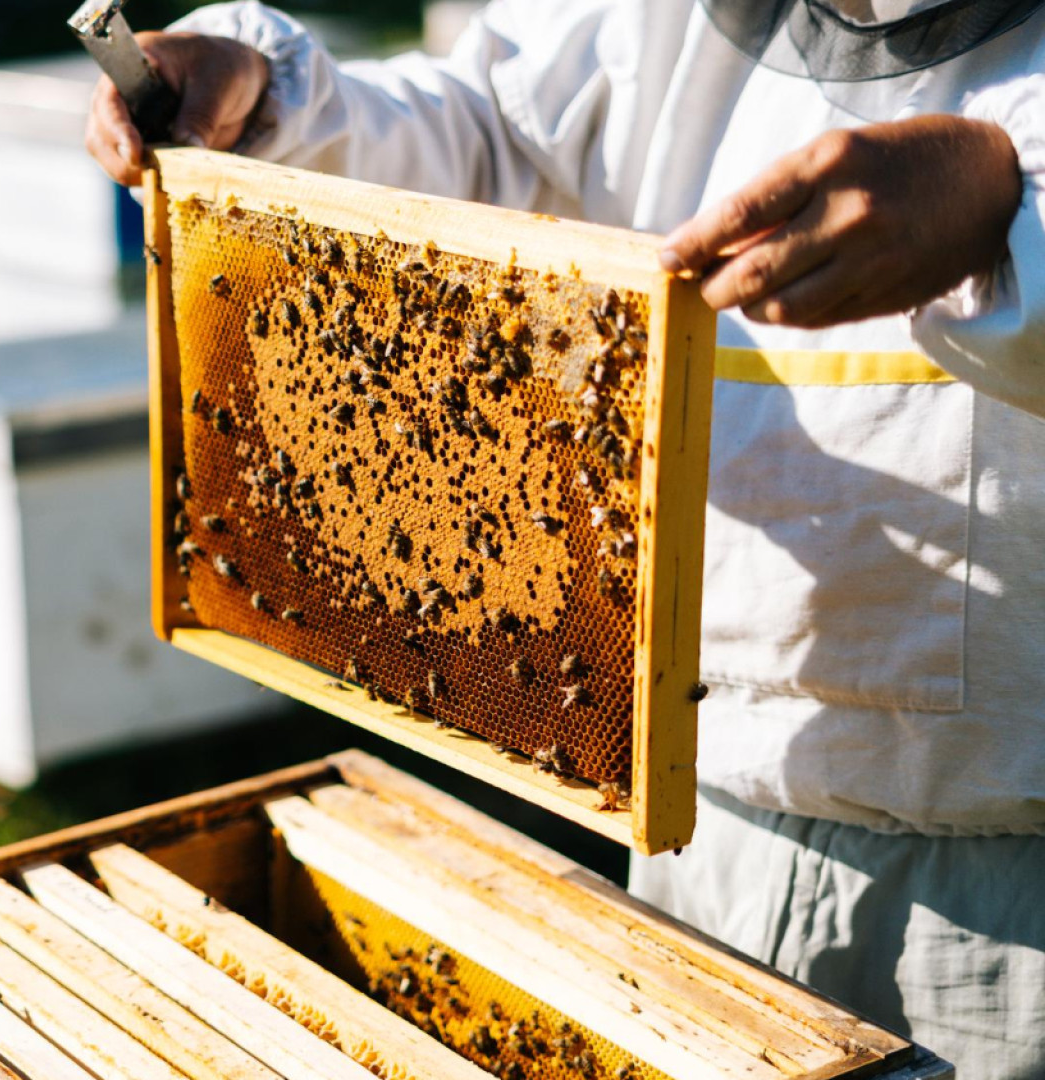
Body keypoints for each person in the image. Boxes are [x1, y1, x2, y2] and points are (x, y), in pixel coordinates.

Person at [85, 1, 1045, 1074]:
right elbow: (499, 131)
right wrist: (267, 99)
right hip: (696, 818)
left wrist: (1012, 205)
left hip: (1012, 910)